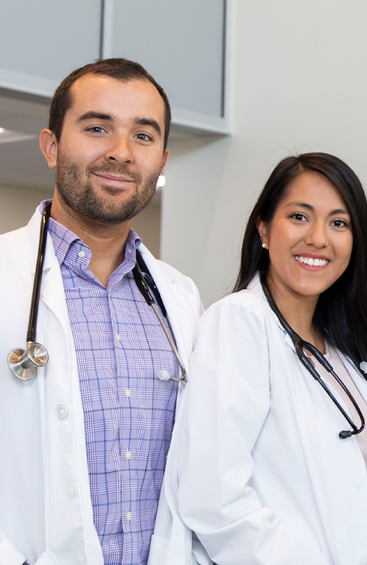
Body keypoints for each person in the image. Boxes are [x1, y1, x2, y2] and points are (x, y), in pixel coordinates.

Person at [168, 153, 367, 564]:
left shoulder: (347, 350)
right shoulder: (239, 322)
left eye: (339, 223)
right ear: (264, 229)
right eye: (300, 217)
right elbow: (214, 498)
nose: (318, 238)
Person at [0, 59, 204, 565]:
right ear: (51, 146)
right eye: (97, 128)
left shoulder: (180, 300)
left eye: (143, 136)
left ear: (161, 159)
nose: (120, 153)